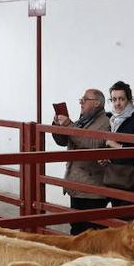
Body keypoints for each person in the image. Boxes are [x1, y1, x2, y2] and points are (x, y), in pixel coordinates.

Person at [52, 88, 110, 235]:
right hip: (76, 183)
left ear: (97, 103)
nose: (81, 102)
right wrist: (57, 125)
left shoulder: (105, 122)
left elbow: (92, 142)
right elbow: (63, 141)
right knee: (77, 227)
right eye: (81, 99)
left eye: (85, 99)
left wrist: (69, 125)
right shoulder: (83, 120)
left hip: (92, 187)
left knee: (92, 229)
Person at [98, 80, 134, 208]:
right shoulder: (110, 118)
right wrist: (106, 157)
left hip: (132, 180)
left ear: (129, 99)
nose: (117, 103)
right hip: (112, 178)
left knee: (132, 219)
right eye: (114, 99)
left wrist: (116, 145)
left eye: (121, 99)